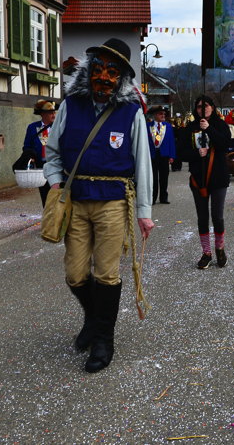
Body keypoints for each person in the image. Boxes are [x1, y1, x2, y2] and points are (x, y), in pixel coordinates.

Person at [43, 37, 154, 373]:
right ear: (89, 70)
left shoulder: (131, 113)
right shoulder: (68, 106)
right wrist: (56, 182)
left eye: (113, 71)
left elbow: (143, 164)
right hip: (76, 201)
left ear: (121, 78)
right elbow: (53, 154)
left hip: (113, 203)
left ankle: (104, 339)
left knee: (106, 274)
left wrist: (144, 213)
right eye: (99, 69)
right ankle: (93, 319)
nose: (104, 77)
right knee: (75, 274)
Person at [181, 95, 232, 268]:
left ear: (212, 107)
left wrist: (209, 128)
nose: (203, 109)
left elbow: (225, 144)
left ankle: (219, 249)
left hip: (218, 178)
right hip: (198, 179)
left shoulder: (220, 125)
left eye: (206, 105)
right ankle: (206, 252)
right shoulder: (190, 127)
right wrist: (196, 154)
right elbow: (182, 152)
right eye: (199, 106)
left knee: (217, 216)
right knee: (202, 217)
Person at [20, 99, 56, 206]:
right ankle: (48, 218)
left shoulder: (58, 127)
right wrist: (31, 157)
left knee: (56, 194)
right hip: (41, 167)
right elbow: (27, 146)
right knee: (45, 196)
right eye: (51, 113)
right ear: (43, 114)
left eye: (54, 112)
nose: (54, 115)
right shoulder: (32, 127)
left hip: (56, 166)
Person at [147, 106, 176, 204]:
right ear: (155, 115)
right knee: (153, 178)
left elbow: (171, 142)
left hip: (164, 155)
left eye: (164, 114)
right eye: (160, 114)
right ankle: (153, 197)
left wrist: (172, 156)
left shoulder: (168, 126)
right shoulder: (148, 126)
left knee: (164, 177)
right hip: (153, 155)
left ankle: (163, 197)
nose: (163, 116)